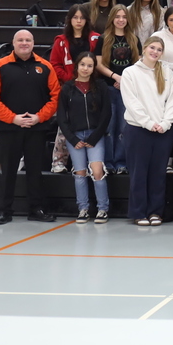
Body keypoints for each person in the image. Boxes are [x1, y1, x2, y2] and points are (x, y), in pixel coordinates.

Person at [0, 30, 61, 224]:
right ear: (13, 43)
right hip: (9, 128)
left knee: (34, 170)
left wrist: (39, 117)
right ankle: (4, 211)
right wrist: (12, 118)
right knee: (8, 171)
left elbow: (54, 96)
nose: (24, 43)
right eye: (20, 40)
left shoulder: (45, 66)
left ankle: (36, 209)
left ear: (33, 43)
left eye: (28, 40)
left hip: (36, 128)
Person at [120, 35, 173, 226]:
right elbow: (131, 102)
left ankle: (155, 212)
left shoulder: (168, 73)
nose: (155, 52)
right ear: (144, 48)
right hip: (138, 130)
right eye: (152, 48)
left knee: (158, 173)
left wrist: (165, 123)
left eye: (159, 50)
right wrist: (147, 122)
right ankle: (139, 212)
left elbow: (172, 101)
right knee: (139, 173)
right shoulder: (130, 73)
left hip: (163, 131)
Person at [57, 52, 112, 223]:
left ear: (93, 68)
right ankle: (83, 208)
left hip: (95, 136)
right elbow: (61, 117)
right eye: (83, 65)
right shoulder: (68, 88)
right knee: (80, 173)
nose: (85, 68)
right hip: (76, 137)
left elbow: (106, 114)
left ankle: (103, 209)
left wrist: (95, 137)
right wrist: (72, 139)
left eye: (89, 65)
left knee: (97, 171)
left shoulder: (101, 86)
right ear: (77, 66)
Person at [94, 4, 142, 175]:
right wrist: (115, 77)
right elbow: (98, 64)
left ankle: (122, 162)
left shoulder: (134, 39)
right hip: (108, 88)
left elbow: (138, 64)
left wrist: (125, 80)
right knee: (108, 127)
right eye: (118, 17)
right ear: (112, 19)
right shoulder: (104, 38)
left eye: (124, 17)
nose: (121, 20)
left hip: (127, 90)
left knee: (123, 128)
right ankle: (108, 162)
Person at [51, 4, 100, 84]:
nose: (79, 21)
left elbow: (101, 62)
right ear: (69, 19)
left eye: (82, 18)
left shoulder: (96, 38)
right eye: (75, 17)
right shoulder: (60, 41)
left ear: (86, 20)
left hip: (92, 82)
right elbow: (55, 64)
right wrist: (68, 78)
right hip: (69, 83)